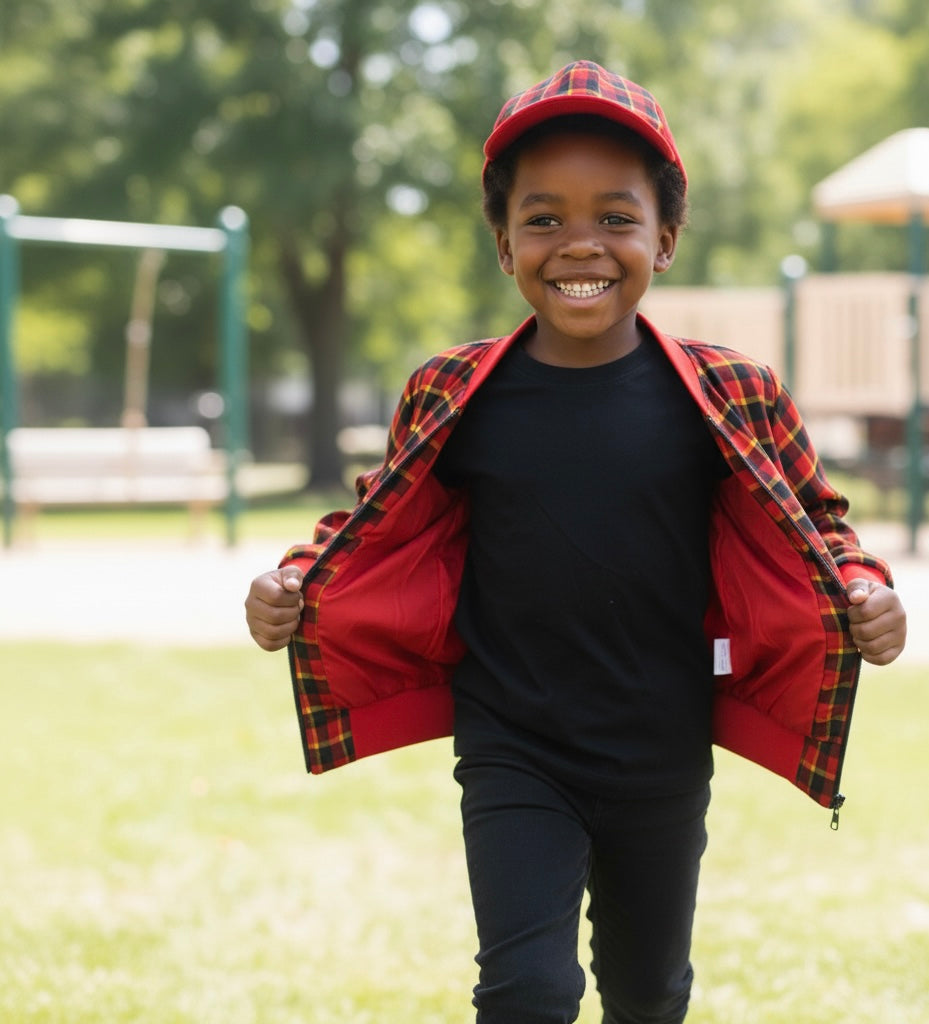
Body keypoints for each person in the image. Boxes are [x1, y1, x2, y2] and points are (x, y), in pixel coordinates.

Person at [245, 60, 907, 1024]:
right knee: (527, 992)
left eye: (616, 217)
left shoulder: (732, 394)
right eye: (544, 218)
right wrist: (290, 585)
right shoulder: (450, 391)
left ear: (665, 239)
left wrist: (865, 591)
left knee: (648, 994)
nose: (579, 245)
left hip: (661, 746)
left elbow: (820, 523)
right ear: (502, 243)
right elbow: (369, 523)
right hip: (513, 740)